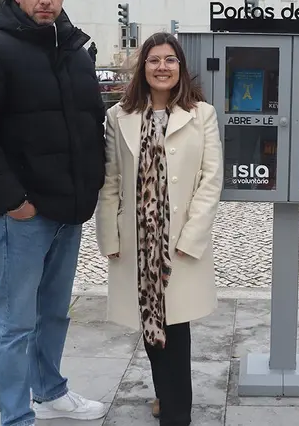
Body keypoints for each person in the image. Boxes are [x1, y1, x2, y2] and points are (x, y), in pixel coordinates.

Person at [0, 0, 109, 426]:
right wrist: (12, 202)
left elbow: (89, 124)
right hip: (22, 215)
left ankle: (51, 390)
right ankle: (16, 416)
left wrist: (91, 188)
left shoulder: (76, 52)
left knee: (55, 313)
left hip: (68, 212)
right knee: (16, 324)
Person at [95, 31, 222, 426]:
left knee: (176, 326)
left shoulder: (203, 114)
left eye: (169, 60)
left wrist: (192, 236)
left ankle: (176, 413)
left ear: (180, 67)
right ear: (143, 67)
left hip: (179, 241)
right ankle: (165, 397)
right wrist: (109, 236)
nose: (162, 67)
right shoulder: (119, 116)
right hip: (138, 240)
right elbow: (111, 180)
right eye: (153, 60)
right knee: (149, 324)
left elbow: (211, 179)